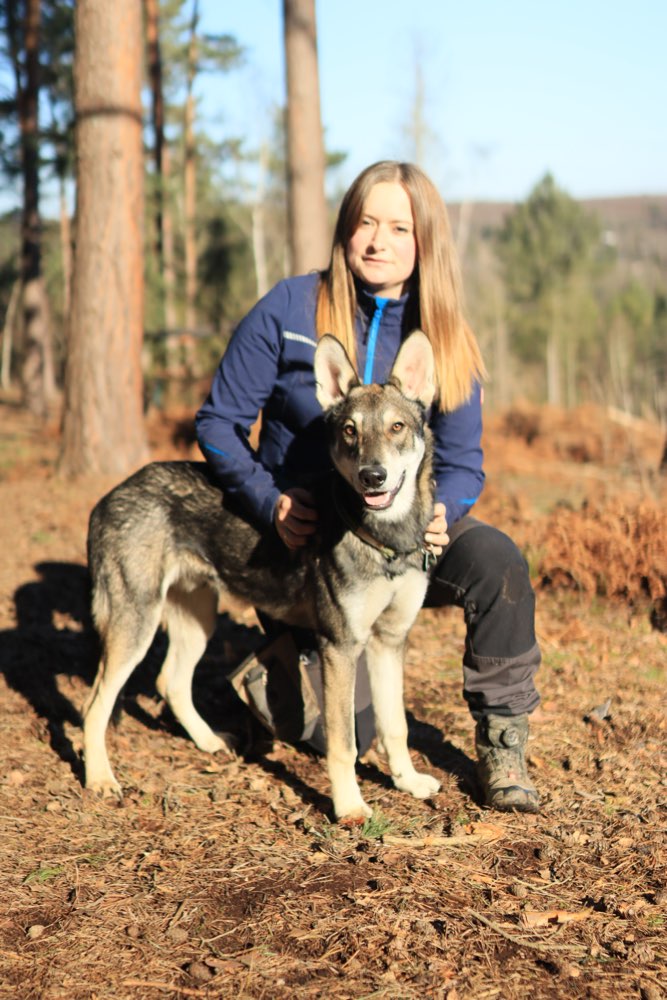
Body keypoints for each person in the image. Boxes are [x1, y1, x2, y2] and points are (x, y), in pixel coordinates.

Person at [195, 161, 541, 813]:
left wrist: (447, 509)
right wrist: (268, 500)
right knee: (346, 733)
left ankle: (502, 743)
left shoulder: (444, 336)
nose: (378, 241)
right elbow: (216, 421)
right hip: (308, 544)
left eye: (399, 228)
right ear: (345, 229)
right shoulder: (290, 308)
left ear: (424, 242)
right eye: (365, 222)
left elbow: (464, 460)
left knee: (496, 563)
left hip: (409, 528)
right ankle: (279, 666)